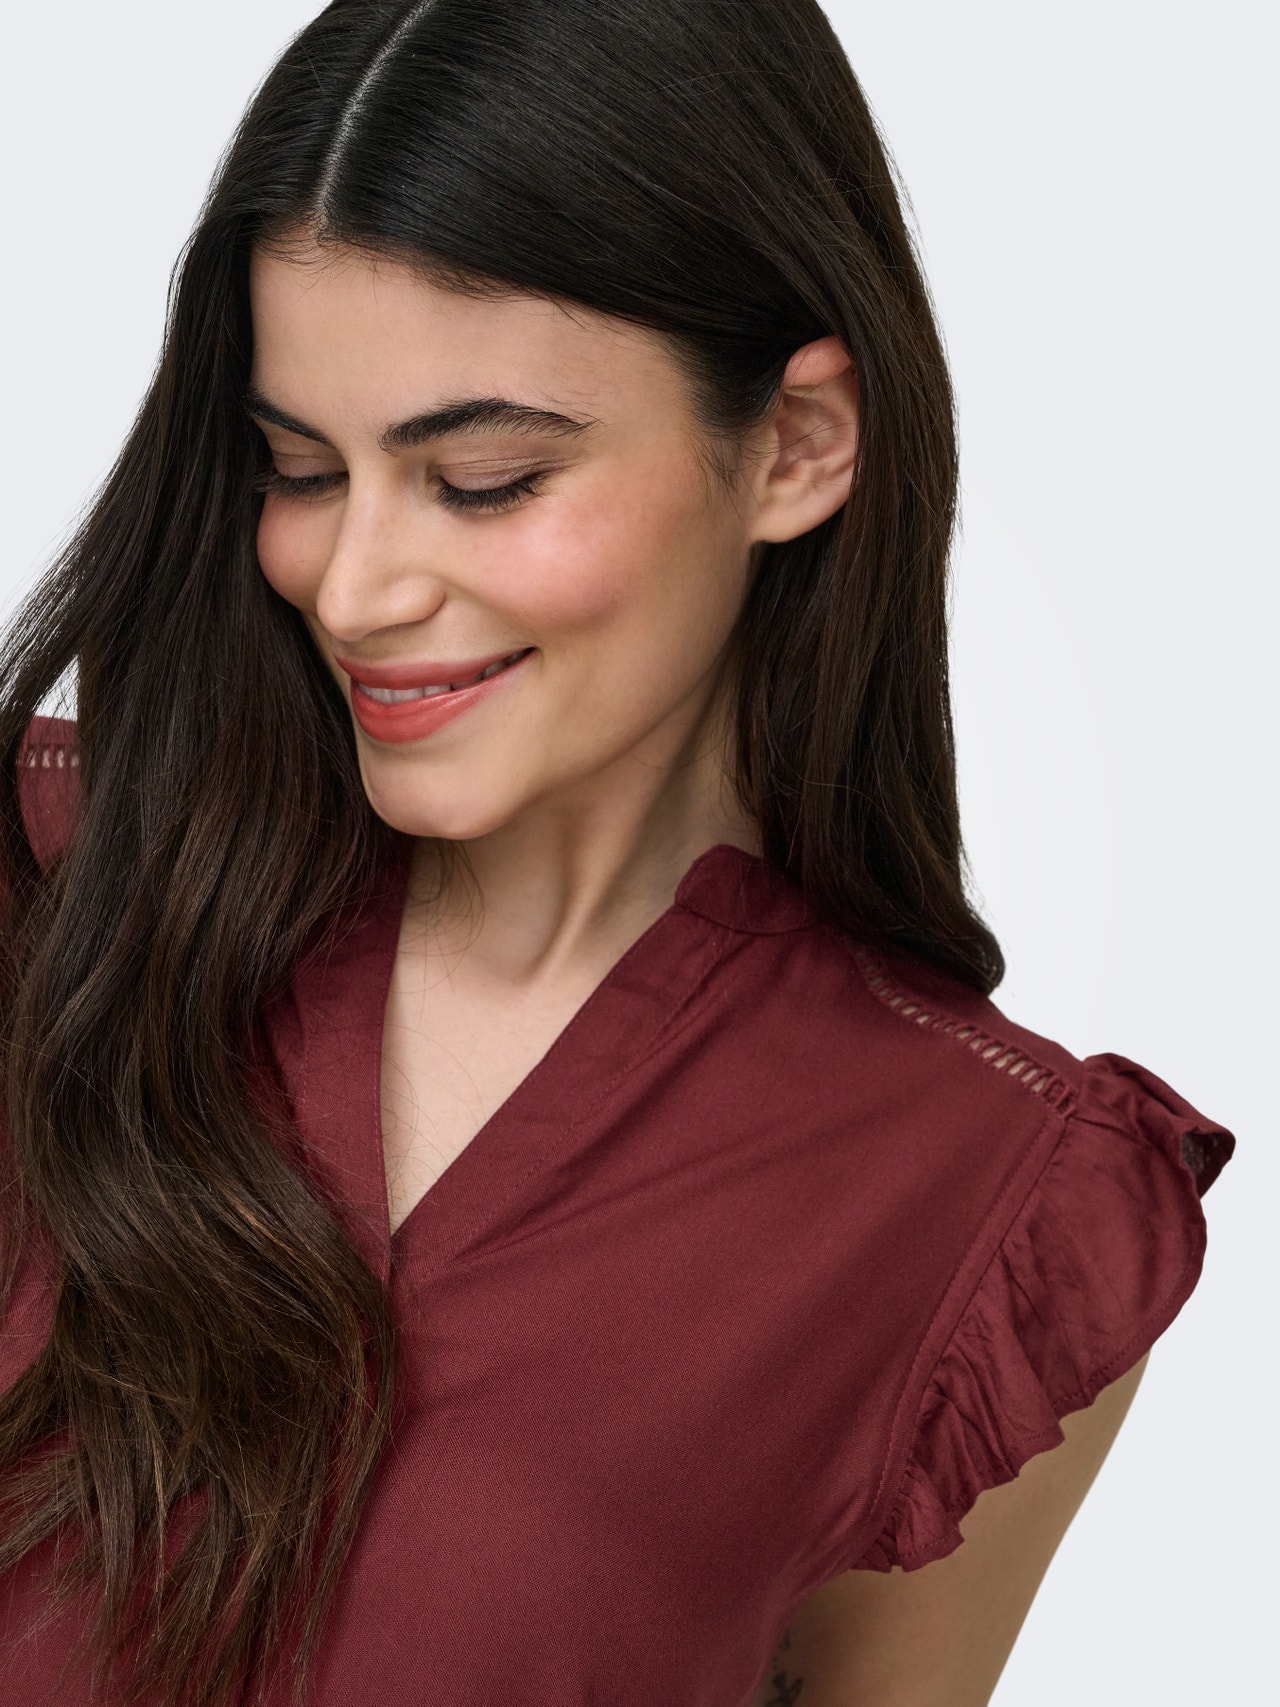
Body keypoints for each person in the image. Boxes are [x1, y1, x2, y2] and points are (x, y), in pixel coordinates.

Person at [0, 2, 1234, 1704]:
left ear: (797, 446)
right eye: (300, 469)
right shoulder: (37, 887)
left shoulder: (980, 1210)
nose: (353, 589)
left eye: (485, 479)